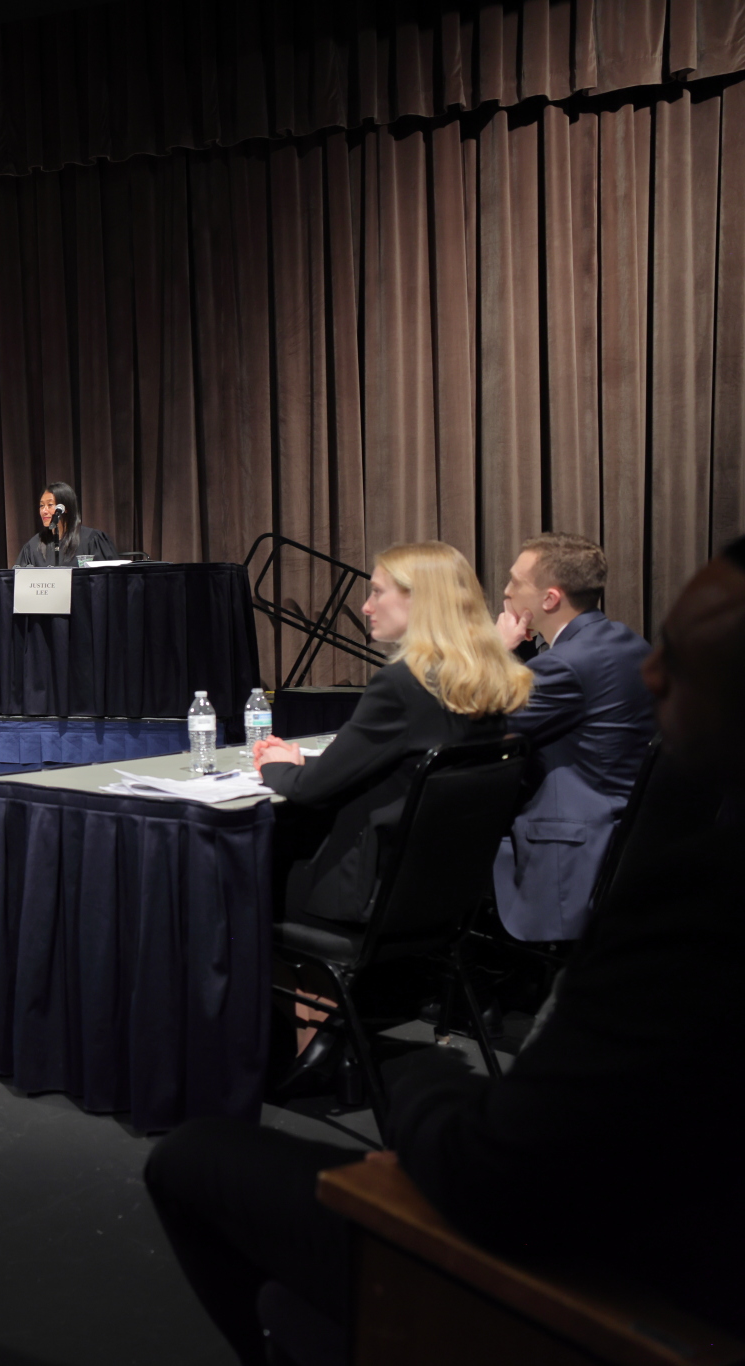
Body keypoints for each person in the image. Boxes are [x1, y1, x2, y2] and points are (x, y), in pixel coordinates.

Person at [144, 538, 745, 1363]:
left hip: (582, 1276)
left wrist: (416, 1078)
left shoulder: (695, 905)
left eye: (682, 655)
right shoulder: (501, 686)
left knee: (192, 1151)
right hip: (440, 910)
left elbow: (504, 1176)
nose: (650, 676)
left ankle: (266, 1045)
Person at [251, 542, 531, 1088]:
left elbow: (310, 788)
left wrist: (276, 764)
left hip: (364, 893)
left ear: (419, 602)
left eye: (377, 591)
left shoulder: (401, 685)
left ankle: (318, 1037)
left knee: (241, 883)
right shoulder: (490, 681)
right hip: (439, 898)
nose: (365, 605)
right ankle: (329, 1031)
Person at [489, 534, 655, 942]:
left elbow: (483, 728)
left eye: (515, 582)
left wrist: (496, 652)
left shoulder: (565, 664)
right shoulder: (630, 643)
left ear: (549, 599)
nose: (506, 591)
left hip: (579, 844)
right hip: (630, 833)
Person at [14, 481, 118, 566]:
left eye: (50, 505)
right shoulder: (34, 545)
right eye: (41, 506)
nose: (44, 511)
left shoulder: (91, 539)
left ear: (65, 508)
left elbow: (107, 579)